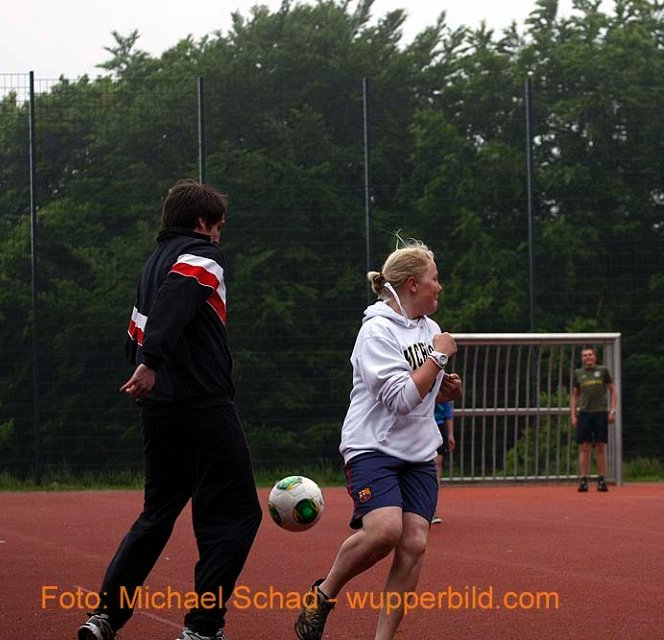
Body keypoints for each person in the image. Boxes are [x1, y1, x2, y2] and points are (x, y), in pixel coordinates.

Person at [78, 180, 262, 640]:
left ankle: (105, 616)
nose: (219, 235)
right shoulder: (204, 255)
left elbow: (135, 331)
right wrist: (152, 362)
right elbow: (176, 302)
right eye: (218, 226)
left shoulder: (152, 264)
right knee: (236, 515)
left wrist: (145, 364)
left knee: (157, 514)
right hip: (203, 404)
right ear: (201, 223)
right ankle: (203, 626)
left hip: (159, 410)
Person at [295, 239, 462, 640]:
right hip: (372, 447)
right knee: (385, 531)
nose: (439, 286)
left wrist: (447, 390)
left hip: (418, 451)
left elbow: (422, 391)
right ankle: (323, 593)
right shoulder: (375, 332)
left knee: (415, 542)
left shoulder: (430, 328)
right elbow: (401, 399)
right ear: (412, 284)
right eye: (434, 279)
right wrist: (438, 359)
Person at [570, 346, 616, 492]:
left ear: (595, 357)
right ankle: (584, 480)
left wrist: (612, 411)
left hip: (600, 412)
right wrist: (573, 415)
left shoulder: (603, 371)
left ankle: (601, 479)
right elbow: (575, 396)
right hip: (584, 413)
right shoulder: (578, 373)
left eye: (590, 355)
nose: (588, 357)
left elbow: (613, 390)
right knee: (584, 447)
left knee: (600, 446)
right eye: (585, 355)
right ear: (582, 359)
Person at [431, 401, 455, 524]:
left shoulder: (441, 387)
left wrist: (450, 434)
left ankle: (432, 508)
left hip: (438, 424)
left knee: (436, 465)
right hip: (419, 425)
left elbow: (447, 410)